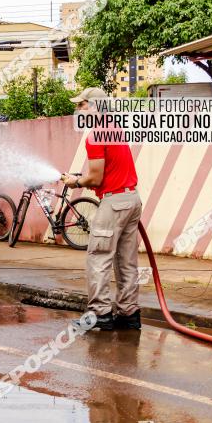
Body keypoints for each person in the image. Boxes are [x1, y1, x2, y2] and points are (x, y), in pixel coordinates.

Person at [62, 87, 142, 331]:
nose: (78, 110)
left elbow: (95, 178)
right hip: (131, 199)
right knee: (126, 260)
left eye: (82, 105)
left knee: (98, 257)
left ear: (94, 106)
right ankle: (129, 314)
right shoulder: (115, 129)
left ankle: (100, 314)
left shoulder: (95, 134)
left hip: (113, 202)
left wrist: (75, 181)